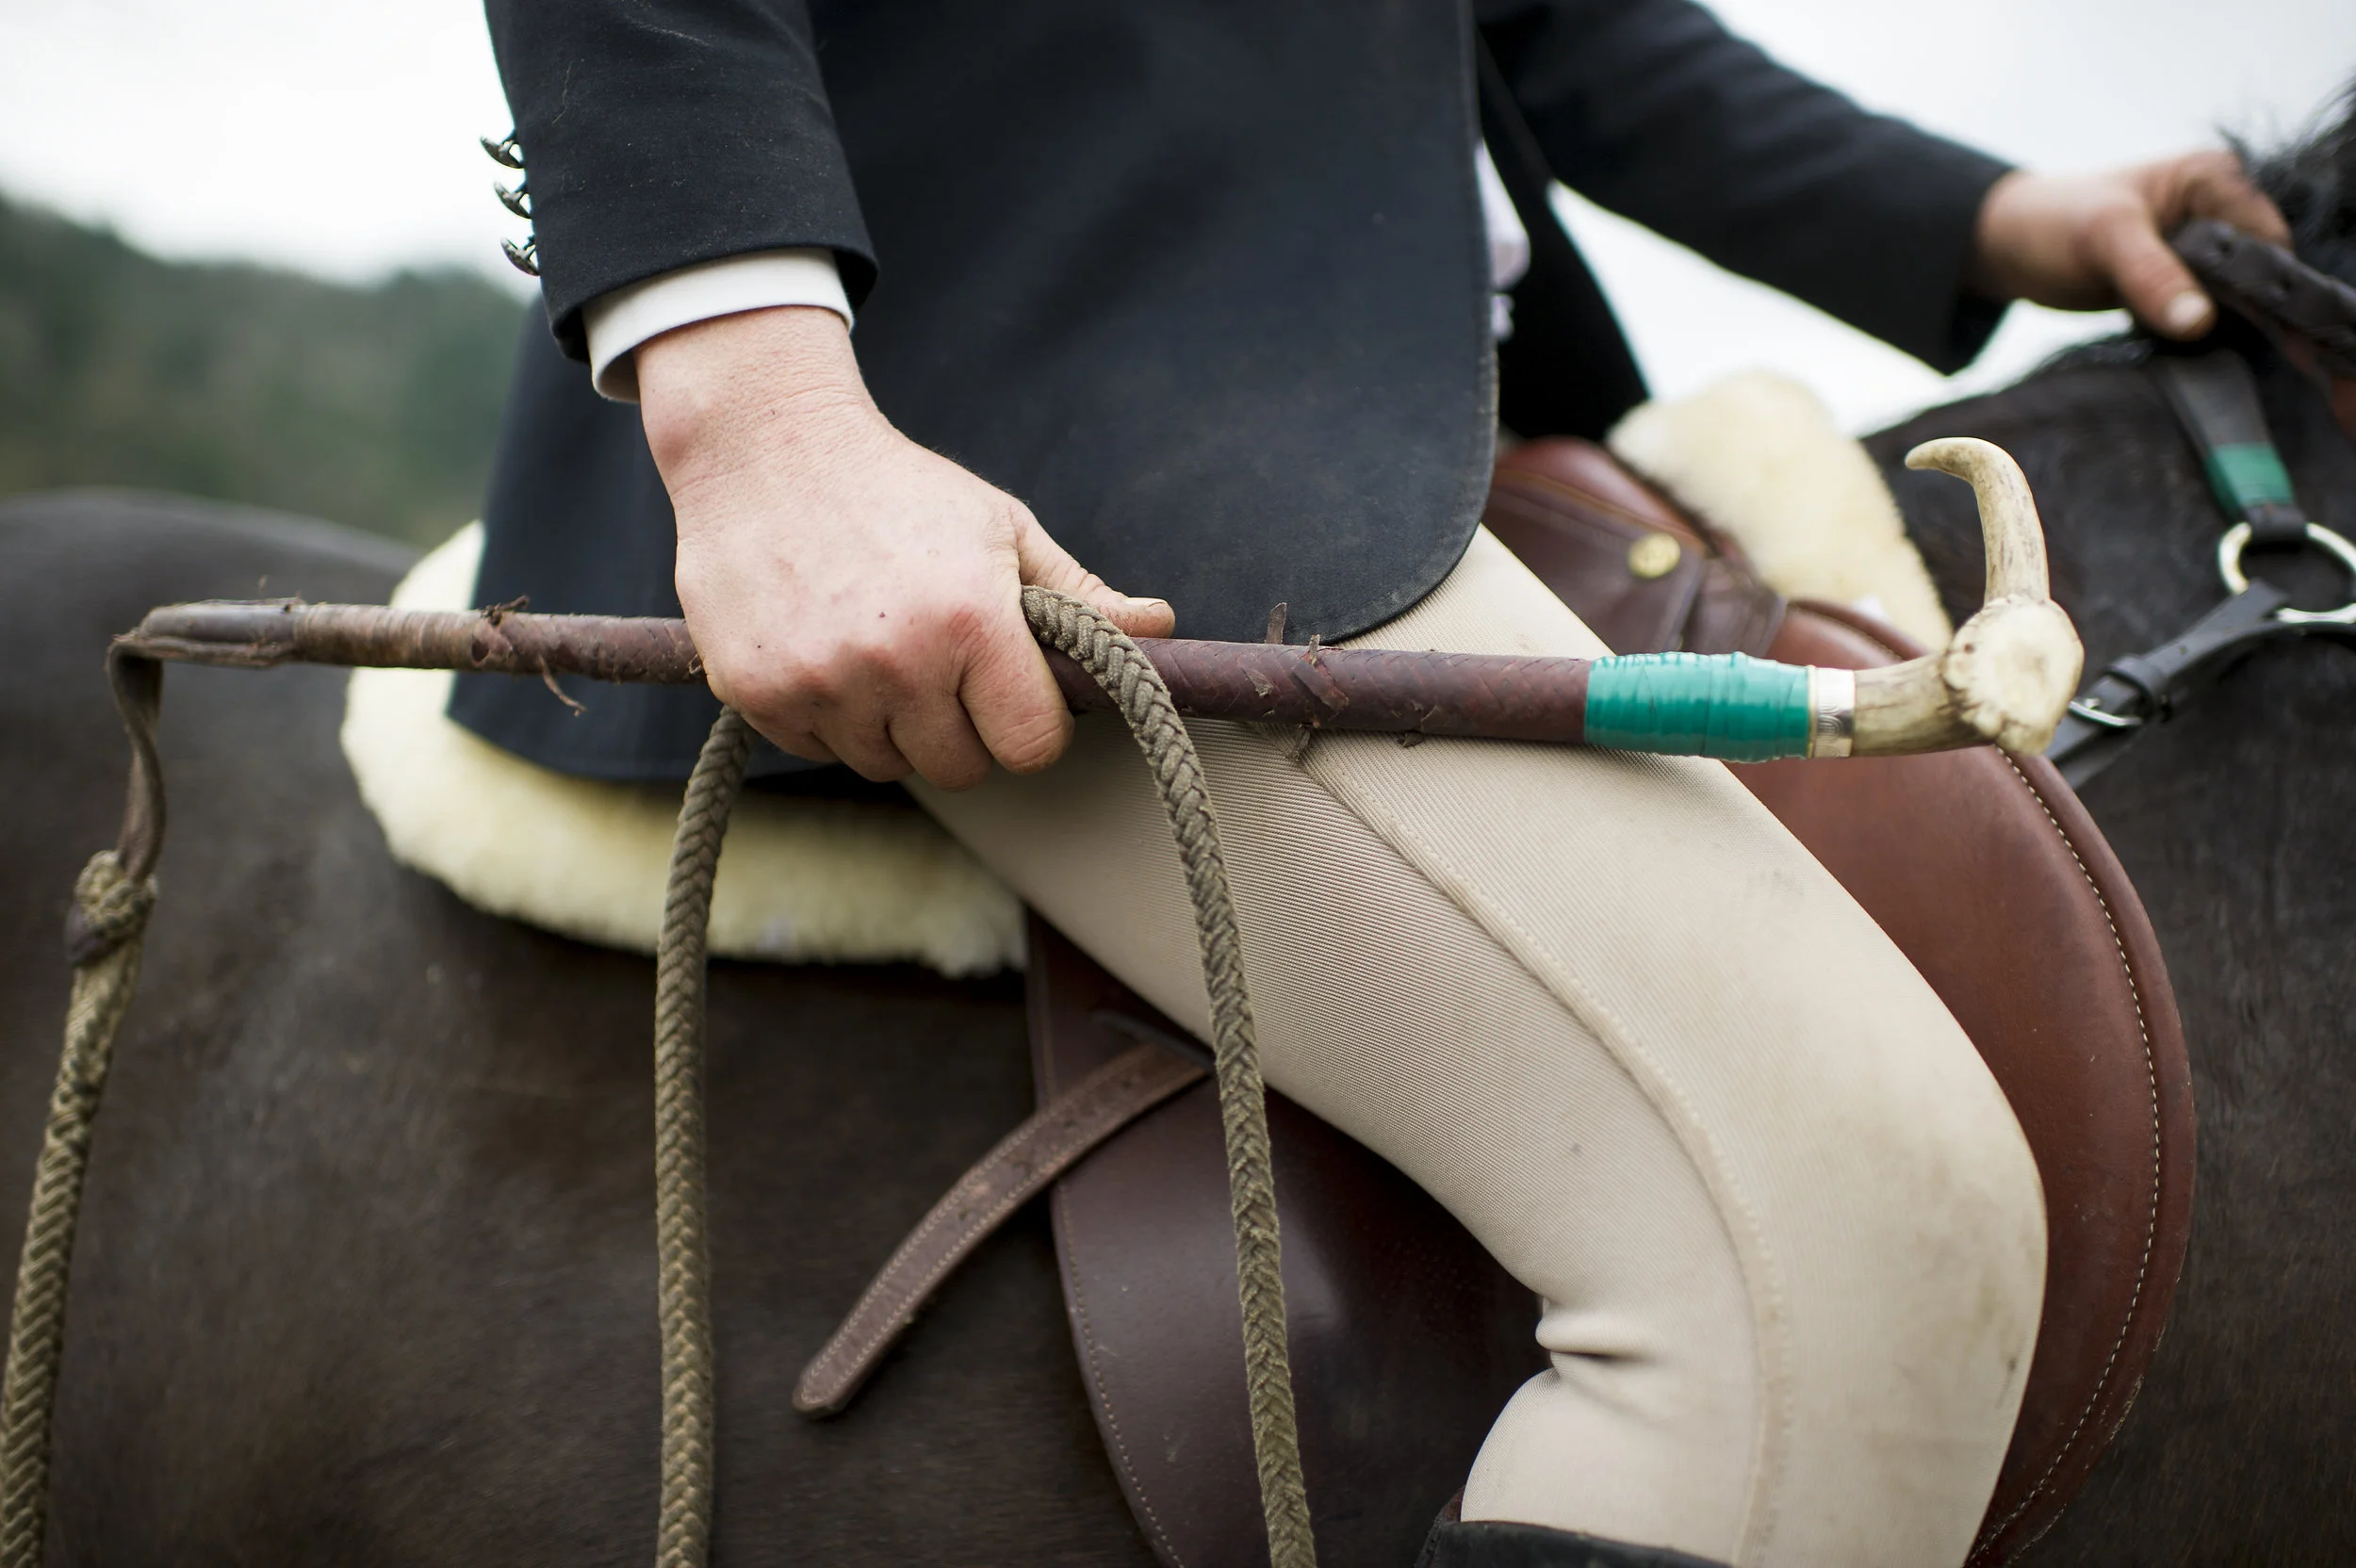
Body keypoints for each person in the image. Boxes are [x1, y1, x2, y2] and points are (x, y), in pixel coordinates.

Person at [467, 3, 2289, 1562]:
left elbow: (1538, 23)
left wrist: (1982, 210)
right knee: (1854, 1226)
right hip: (1017, 428)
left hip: (1419, 417)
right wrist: (753, 398)